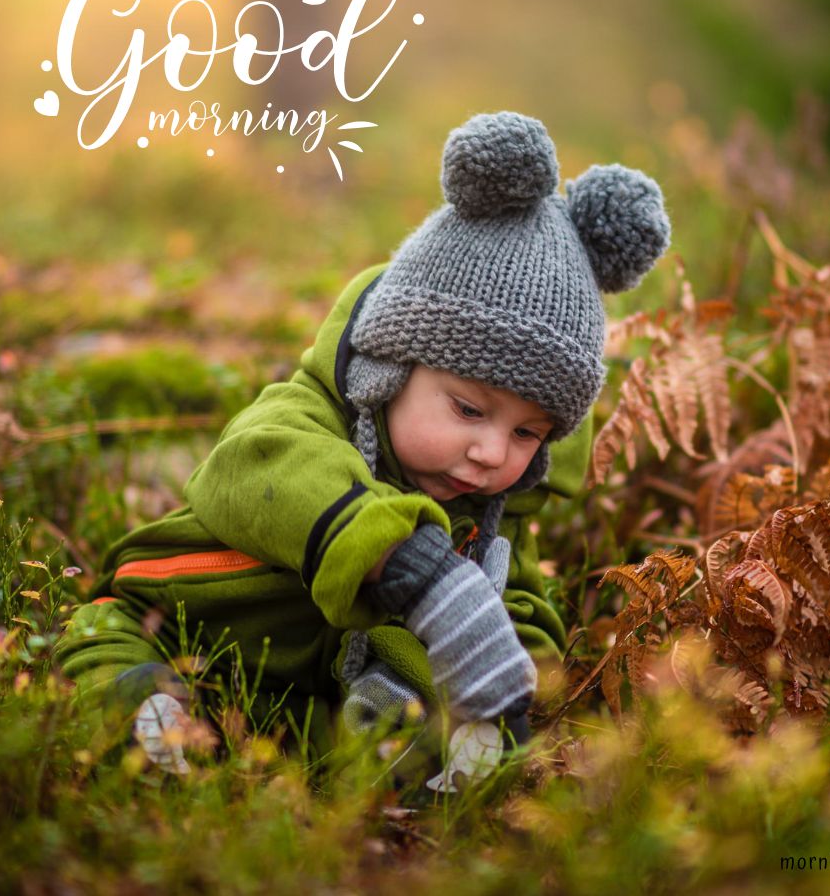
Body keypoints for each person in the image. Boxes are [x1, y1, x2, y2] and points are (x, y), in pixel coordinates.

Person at [54, 111, 670, 774]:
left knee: (400, 730)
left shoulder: (493, 510)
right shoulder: (302, 421)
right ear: (389, 369)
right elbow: (254, 469)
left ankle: (372, 749)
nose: (493, 453)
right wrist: (413, 567)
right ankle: (147, 717)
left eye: (527, 433)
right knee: (109, 650)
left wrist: (505, 684)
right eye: (468, 410)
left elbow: (518, 602)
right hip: (174, 620)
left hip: (303, 696)